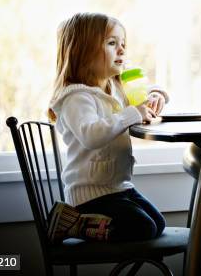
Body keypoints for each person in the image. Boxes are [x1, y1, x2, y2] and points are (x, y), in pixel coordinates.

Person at [46, 12, 168, 243]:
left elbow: (142, 95)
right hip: (89, 195)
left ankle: (85, 223)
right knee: (142, 228)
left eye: (123, 44)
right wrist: (133, 113)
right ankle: (74, 222)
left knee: (157, 224)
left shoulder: (113, 89)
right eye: (112, 43)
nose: (122, 50)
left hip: (117, 187)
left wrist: (156, 95)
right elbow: (91, 135)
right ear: (82, 52)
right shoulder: (76, 97)